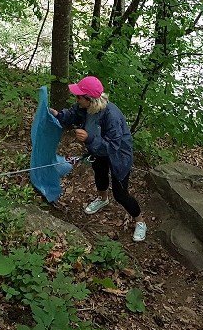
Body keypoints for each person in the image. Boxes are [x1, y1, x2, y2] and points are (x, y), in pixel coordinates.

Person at [50, 76, 146, 242]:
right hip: (98, 151)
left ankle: (140, 221)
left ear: (89, 99)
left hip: (118, 156)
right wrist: (59, 115)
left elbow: (113, 146)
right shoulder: (84, 107)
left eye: (79, 96)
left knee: (121, 194)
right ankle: (102, 199)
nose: (76, 99)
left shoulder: (111, 116)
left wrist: (89, 139)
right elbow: (72, 114)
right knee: (100, 176)